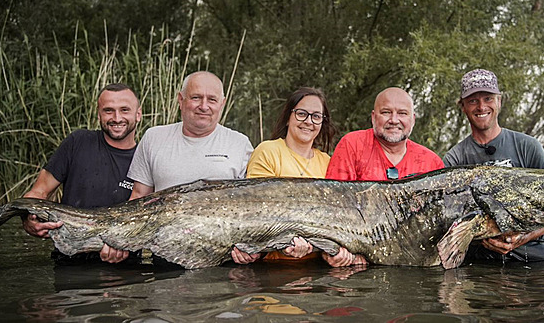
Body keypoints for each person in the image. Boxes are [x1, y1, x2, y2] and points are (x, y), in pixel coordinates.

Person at [442, 68, 544, 262]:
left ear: (499, 101)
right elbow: (447, 219)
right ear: (463, 107)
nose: (481, 107)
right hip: (479, 248)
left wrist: (522, 238)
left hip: (529, 247)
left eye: (488, 98)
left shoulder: (528, 147)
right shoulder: (454, 159)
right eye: (473, 101)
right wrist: (482, 239)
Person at [22, 83, 142, 264]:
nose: (117, 118)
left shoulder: (146, 158)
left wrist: (125, 242)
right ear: (98, 113)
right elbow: (39, 191)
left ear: (138, 114)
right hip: (70, 261)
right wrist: (28, 217)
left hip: (126, 266)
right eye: (108, 111)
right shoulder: (77, 142)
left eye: (124, 110)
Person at [324, 87, 444, 266]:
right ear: (373, 117)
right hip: (356, 264)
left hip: (412, 265)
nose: (394, 120)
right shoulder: (352, 145)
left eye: (402, 113)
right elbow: (330, 206)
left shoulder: (432, 162)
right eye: (386, 112)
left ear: (413, 120)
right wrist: (334, 250)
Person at [232, 87, 337, 265]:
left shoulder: (328, 162)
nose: (308, 121)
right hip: (272, 267)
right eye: (301, 113)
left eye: (316, 116)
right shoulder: (268, 151)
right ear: (288, 117)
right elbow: (258, 211)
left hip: (320, 269)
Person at [127, 71, 253, 199]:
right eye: (196, 98)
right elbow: (139, 196)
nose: (204, 106)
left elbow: (251, 200)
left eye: (212, 100)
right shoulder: (153, 138)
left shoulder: (240, 144)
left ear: (222, 104)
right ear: (181, 100)